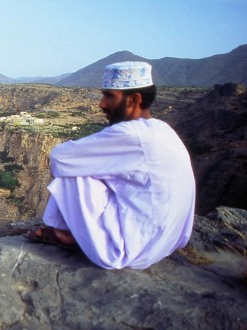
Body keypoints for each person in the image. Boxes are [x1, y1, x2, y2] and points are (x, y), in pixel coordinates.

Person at [24, 61, 196, 270]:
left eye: (109, 96)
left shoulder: (131, 134)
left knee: (74, 170)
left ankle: (65, 233)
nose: (101, 104)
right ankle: (74, 233)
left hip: (128, 251)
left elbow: (60, 157)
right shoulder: (162, 129)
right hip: (164, 244)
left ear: (134, 99)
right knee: (87, 164)